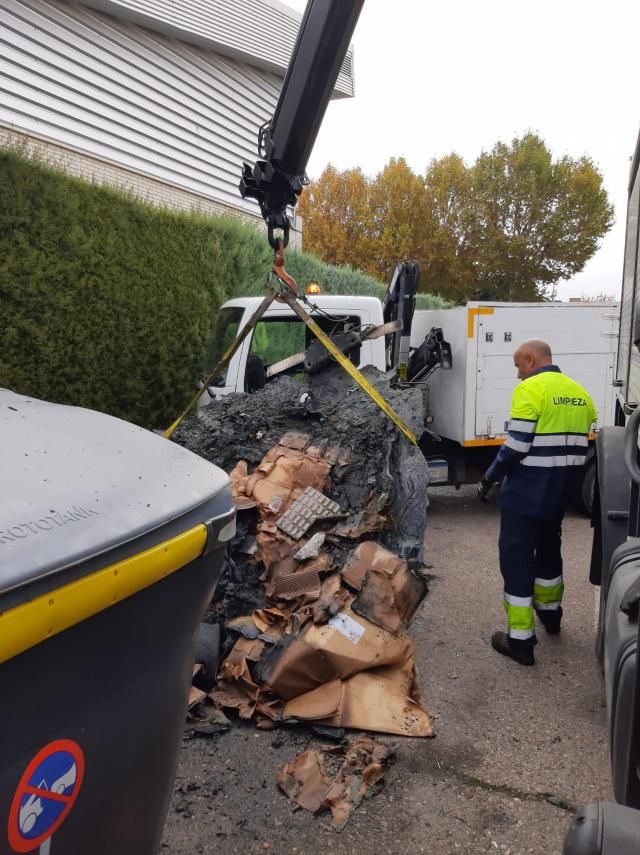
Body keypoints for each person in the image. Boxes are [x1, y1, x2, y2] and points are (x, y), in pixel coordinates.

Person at [477, 339, 597, 666]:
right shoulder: (579, 393)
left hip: (526, 494)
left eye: (519, 366)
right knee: (548, 551)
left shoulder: (530, 390)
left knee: (516, 560)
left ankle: (520, 642)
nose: (518, 374)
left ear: (531, 360)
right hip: (559, 495)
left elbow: (516, 446)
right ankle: (551, 615)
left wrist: (489, 477)